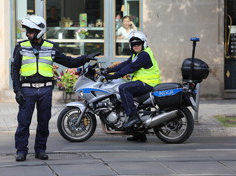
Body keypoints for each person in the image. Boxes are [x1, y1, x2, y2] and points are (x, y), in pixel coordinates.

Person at [11, 15, 99, 162]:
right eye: (27, 30)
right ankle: (21, 151)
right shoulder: (21, 47)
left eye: (31, 31)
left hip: (45, 90)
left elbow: (68, 62)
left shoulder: (50, 47)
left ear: (39, 31)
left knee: (44, 122)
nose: (27, 33)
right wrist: (17, 90)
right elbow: (14, 69)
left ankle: (40, 150)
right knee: (23, 122)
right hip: (27, 90)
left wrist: (85, 58)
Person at [105, 31, 161, 142]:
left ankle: (133, 117)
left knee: (124, 88)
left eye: (138, 44)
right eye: (133, 44)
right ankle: (139, 134)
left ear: (143, 43)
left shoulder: (144, 55)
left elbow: (131, 68)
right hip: (143, 82)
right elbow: (125, 64)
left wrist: (114, 76)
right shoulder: (137, 54)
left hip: (148, 83)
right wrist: (108, 70)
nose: (136, 46)